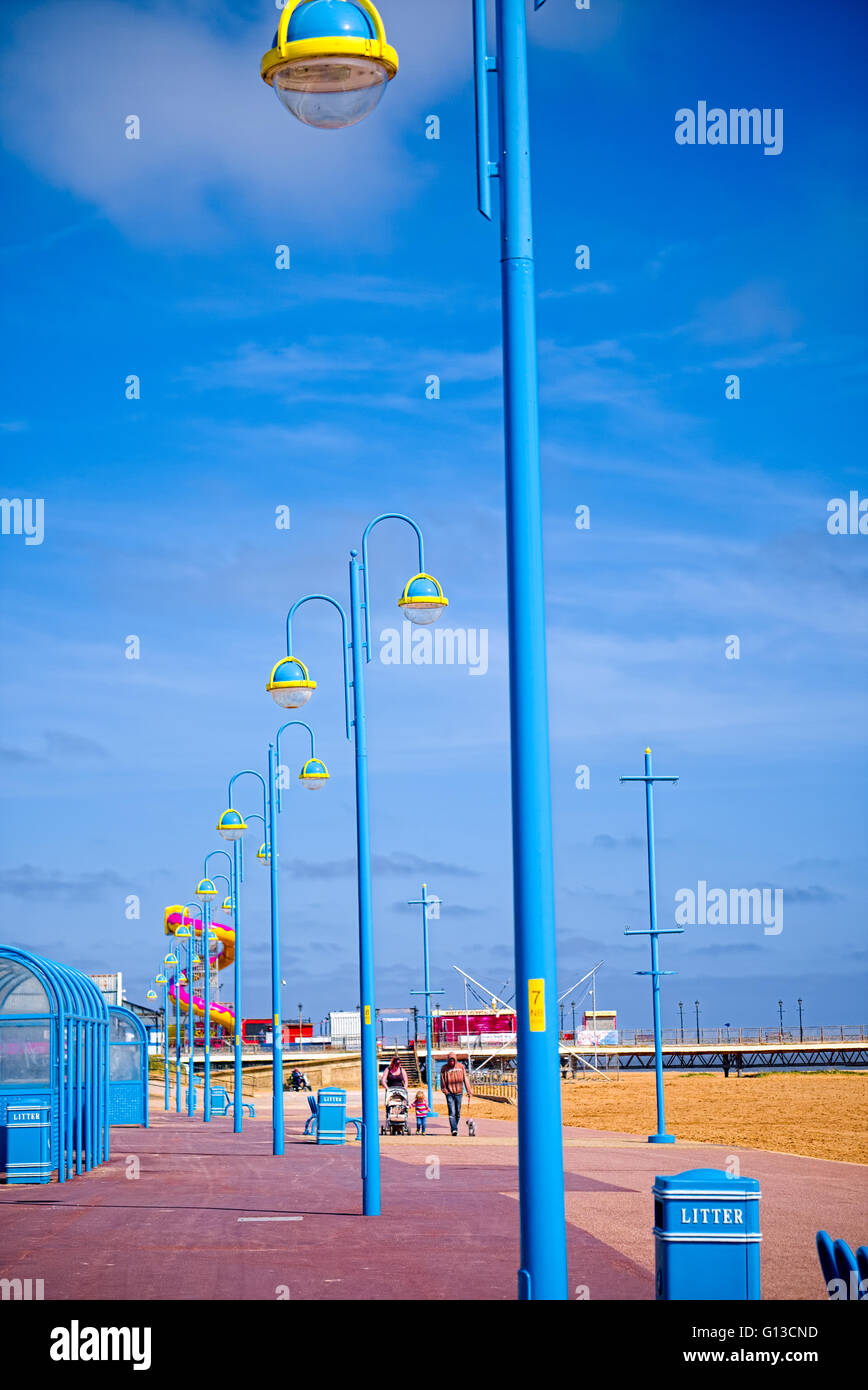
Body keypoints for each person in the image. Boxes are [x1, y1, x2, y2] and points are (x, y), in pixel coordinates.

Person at [439, 1052, 472, 1135]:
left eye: (453, 1061)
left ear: (455, 1060)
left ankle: (454, 1127)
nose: (452, 1063)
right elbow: (442, 1081)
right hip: (449, 1093)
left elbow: (465, 1078)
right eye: (450, 1061)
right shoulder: (444, 1068)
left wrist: (469, 1090)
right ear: (448, 1060)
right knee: (452, 1112)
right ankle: (454, 1129)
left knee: (458, 1113)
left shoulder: (461, 1067)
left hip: (459, 1093)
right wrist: (445, 1091)